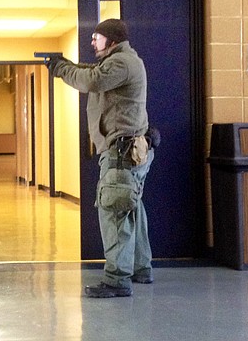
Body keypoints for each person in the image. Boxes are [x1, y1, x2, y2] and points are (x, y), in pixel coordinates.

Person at [49, 19, 155, 298]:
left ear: (112, 40)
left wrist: (61, 70)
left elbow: (92, 80)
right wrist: (66, 63)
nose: (92, 42)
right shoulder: (121, 61)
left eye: (96, 37)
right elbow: (92, 70)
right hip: (128, 150)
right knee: (131, 208)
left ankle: (117, 279)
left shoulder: (121, 64)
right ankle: (140, 268)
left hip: (121, 152)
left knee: (115, 210)